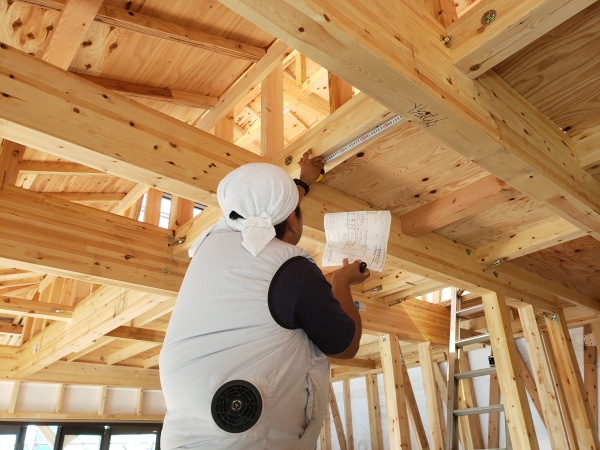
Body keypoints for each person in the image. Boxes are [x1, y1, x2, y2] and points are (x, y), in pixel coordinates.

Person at [159, 150, 370, 449]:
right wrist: (341, 282)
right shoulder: (291, 266)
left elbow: (258, 206)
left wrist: (303, 182)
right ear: (294, 223)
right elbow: (346, 346)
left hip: (186, 435)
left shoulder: (213, 241)